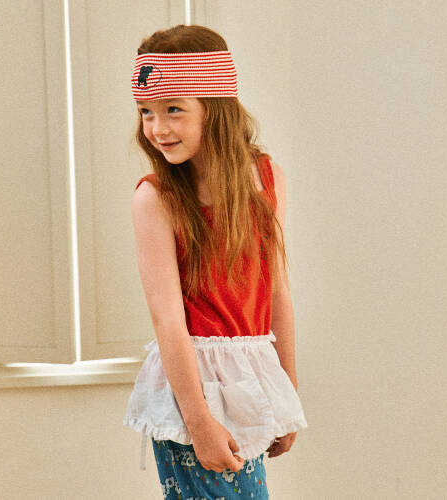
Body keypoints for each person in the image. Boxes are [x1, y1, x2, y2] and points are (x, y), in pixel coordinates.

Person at [123, 24, 308, 499]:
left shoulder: (266, 178)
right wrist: (200, 421)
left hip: (252, 381)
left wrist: (286, 393)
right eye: (146, 112)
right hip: (194, 392)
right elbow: (168, 320)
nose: (157, 128)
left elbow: (277, 293)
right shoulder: (156, 198)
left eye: (174, 109)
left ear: (216, 105)